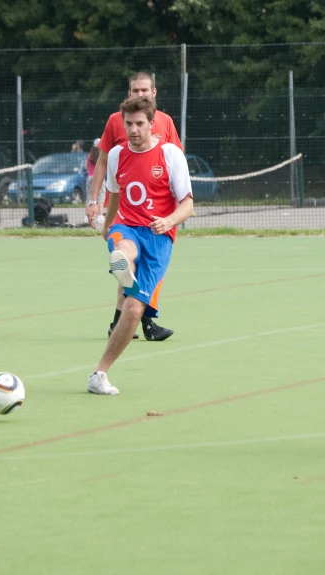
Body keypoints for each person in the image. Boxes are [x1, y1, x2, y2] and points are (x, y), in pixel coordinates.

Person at [87, 98, 193, 395]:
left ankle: (99, 374)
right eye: (128, 124)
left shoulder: (170, 155)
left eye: (139, 124)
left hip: (159, 237)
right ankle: (122, 262)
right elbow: (116, 197)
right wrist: (108, 225)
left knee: (133, 311)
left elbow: (188, 205)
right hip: (126, 227)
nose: (133, 129)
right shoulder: (118, 155)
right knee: (124, 249)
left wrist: (169, 220)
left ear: (151, 123)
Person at [86, 71, 182, 342]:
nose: (140, 94)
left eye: (145, 90)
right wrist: (95, 201)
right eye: (135, 90)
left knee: (134, 269)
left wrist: (174, 211)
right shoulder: (117, 121)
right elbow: (103, 162)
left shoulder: (166, 122)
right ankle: (142, 323)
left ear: (154, 93)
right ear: (128, 94)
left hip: (158, 210)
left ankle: (121, 322)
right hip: (127, 209)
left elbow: (175, 162)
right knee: (130, 264)